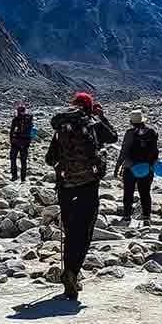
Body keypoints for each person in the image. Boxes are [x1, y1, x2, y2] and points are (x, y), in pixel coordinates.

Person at [44, 92, 116, 300]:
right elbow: (112, 137)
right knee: (83, 232)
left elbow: (50, 159)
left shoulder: (61, 127)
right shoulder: (92, 122)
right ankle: (73, 273)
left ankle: (69, 274)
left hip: (65, 186)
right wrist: (101, 116)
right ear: (89, 106)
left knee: (69, 231)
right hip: (88, 185)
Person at [114, 110, 160, 223]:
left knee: (128, 192)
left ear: (131, 122)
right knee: (145, 192)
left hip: (130, 167)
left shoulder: (129, 133)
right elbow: (155, 151)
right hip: (146, 167)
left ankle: (126, 216)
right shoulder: (151, 132)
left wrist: (117, 167)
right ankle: (147, 217)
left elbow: (124, 151)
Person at [8, 103, 34, 182]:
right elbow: (32, 131)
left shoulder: (15, 119)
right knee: (23, 161)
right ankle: (23, 178)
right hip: (25, 142)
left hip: (16, 142)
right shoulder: (29, 118)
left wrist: (11, 140)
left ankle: (14, 176)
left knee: (13, 159)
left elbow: (12, 131)